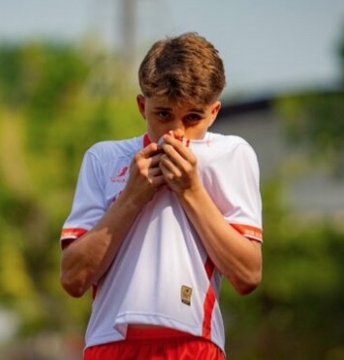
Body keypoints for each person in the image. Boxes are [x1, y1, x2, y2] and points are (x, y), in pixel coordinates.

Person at [59, 32, 263, 360]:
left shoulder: (231, 154)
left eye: (193, 118)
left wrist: (191, 190)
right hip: (109, 344)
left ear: (214, 112)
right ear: (143, 106)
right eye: (164, 114)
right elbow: (72, 278)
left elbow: (248, 275)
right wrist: (130, 198)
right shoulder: (103, 158)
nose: (176, 133)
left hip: (193, 345)